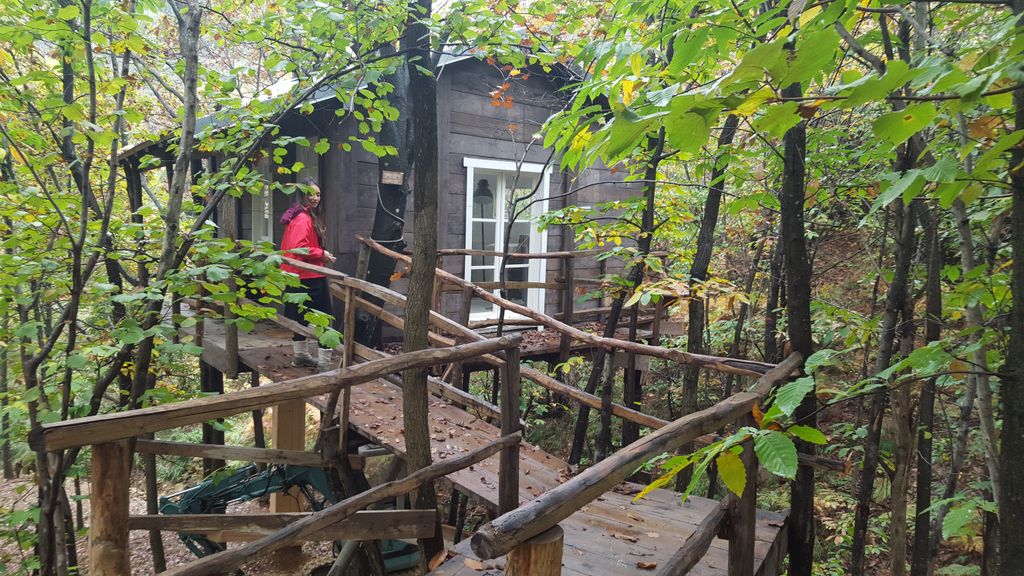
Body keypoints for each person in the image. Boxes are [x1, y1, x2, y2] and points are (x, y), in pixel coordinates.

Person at [280, 177, 336, 371]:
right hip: (308, 275)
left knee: (299, 317)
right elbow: (298, 248)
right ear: (302, 194)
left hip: (295, 274)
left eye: (318, 194)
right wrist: (322, 254)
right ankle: (324, 363)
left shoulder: (298, 215)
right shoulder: (303, 218)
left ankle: (301, 356)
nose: (315, 198)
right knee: (325, 318)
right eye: (310, 194)